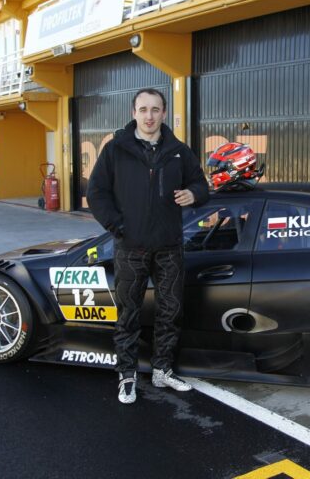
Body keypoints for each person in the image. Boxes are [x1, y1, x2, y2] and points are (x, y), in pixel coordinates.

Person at [87, 88, 209, 404]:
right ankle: (126, 375)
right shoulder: (115, 149)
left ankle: (162, 370)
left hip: (169, 247)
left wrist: (194, 194)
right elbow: (96, 193)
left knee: (171, 311)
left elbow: (201, 184)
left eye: (155, 109)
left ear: (164, 113)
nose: (149, 116)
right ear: (134, 113)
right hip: (131, 248)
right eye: (143, 110)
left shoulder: (179, 151)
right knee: (129, 313)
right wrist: (118, 226)